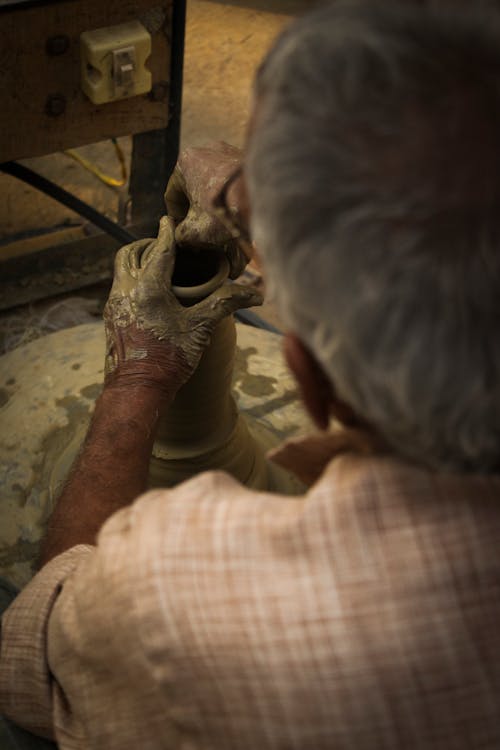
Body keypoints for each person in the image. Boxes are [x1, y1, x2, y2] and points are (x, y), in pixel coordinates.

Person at [2, 1, 500, 747]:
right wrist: (247, 189)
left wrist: (138, 381)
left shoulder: (187, 597)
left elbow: (30, 673)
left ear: (310, 374)